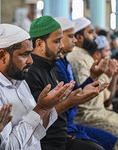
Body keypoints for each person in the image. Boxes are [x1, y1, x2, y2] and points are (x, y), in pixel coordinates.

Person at [0, 24, 75, 150]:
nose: (31, 61)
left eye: (30, 54)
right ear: (3, 56)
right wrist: (41, 108)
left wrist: (47, 107)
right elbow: (6, 147)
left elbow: (36, 132)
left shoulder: (17, 77)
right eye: (24, 55)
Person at [25, 15, 107, 150]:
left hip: (62, 134)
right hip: (46, 142)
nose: (62, 46)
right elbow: (37, 118)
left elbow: (59, 102)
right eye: (57, 41)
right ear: (39, 43)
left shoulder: (50, 66)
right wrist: (70, 101)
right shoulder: (31, 72)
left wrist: (81, 91)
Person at [54, 17, 117, 150]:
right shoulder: (76, 57)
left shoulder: (66, 59)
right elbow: (85, 101)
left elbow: (78, 90)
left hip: (78, 119)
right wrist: (105, 76)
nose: (95, 35)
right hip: (83, 117)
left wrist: (95, 76)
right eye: (90, 32)